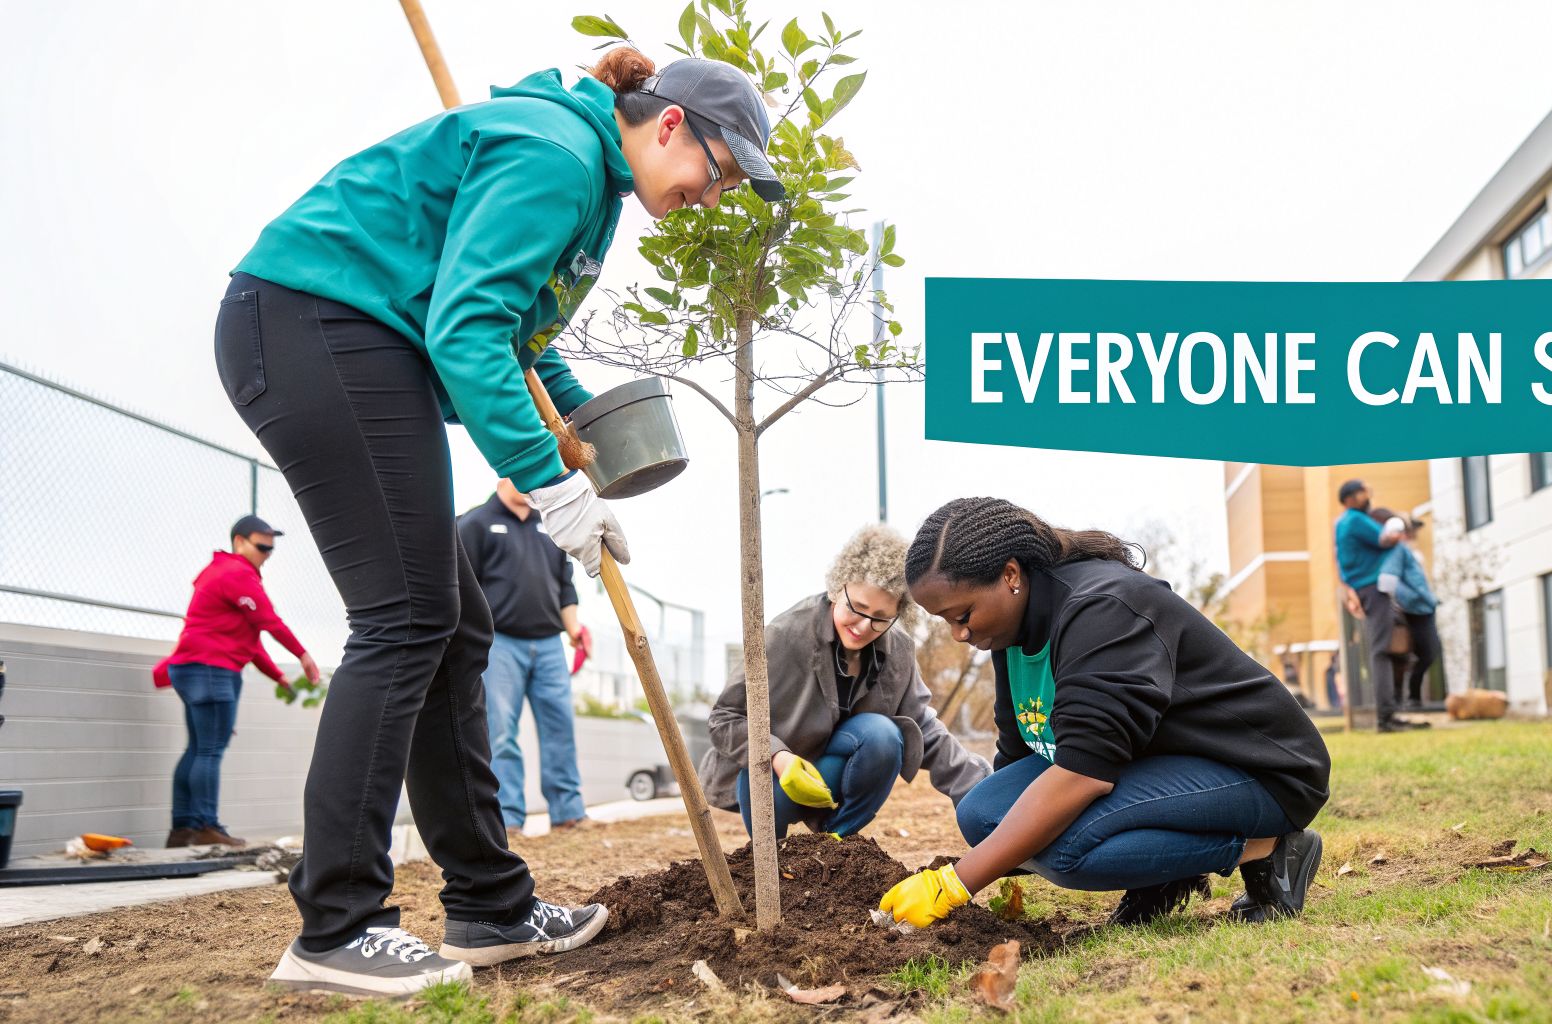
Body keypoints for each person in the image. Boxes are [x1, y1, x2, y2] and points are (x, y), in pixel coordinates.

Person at [217, 42, 784, 995]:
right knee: (404, 620)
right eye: (717, 172)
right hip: (318, 323)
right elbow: (467, 329)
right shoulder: (557, 154)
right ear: (673, 123)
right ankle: (336, 925)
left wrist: (588, 449)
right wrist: (545, 484)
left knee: (450, 624)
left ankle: (489, 905)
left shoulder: (591, 189)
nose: (713, 196)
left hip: (353, 340)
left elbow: (520, 344)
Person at [882, 498, 1331, 929]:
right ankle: (1159, 872)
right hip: (1156, 762)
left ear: (1010, 575)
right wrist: (1001, 851)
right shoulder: (1009, 631)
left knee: (1067, 850)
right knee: (983, 813)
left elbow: (1084, 773)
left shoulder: (1101, 608)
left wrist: (957, 883)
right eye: (946, 621)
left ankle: (1268, 849)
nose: (958, 634)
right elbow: (1021, 757)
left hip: (1257, 770)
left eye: (962, 614)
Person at [700, 525, 989, 840]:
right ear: (838, 589)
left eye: (880, 617)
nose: (864, 626)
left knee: (884, 736)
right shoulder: (784, 636)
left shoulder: (899, 650)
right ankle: (773, 858)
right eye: (857, 608)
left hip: (832, 772)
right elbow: (724, 718)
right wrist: (777, 756)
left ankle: (835, 842)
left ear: (898, 614)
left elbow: (922, 726)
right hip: (774, 780)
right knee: (765, 794)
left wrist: (981, 790)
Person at [154, 515, 321, 849]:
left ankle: (182, 828)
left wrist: (277, 676)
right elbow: (268, 621)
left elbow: (249, 641)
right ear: (239, 541)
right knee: (210, 751)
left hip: (190, 667)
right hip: (211, 670)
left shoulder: (219, 573)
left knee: (198, 748)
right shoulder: (235, 573)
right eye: (261, 547)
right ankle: (205, 825)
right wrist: (302, 654)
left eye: (271, 549)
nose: (266, 554)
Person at [458, 480, 597, 835]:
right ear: (502, 472)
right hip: (499, 644)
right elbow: (460, 589)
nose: (528, 480)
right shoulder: (474, 524)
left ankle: (568, 812)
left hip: (550, 644)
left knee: (560, 729)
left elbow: (565, 586)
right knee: (502, 733)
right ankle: (508, 819)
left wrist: (575, 630)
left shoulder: (549, 525)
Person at [1334, 479, 1422, 733]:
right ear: (1349, 498)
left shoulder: (1342, 524)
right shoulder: (1355, 519)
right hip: (1374, 588)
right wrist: (1396, 533)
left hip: (1364, 589)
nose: (1367, 497)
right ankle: (1386, 718)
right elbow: (1385, 540)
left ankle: (1390, 714)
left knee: (1384, 649)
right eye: (1362, 493)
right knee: (1382, 651)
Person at [1370, 508, 1442, 711]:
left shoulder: (1406, 551)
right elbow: (1388, 582)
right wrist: (1413, 598)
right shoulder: (1396, 551)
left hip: (1422, 606)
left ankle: (1410, 697)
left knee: (1421, 654)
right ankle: (1409, 698)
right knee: (1423, 653)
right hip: (1415, 610)